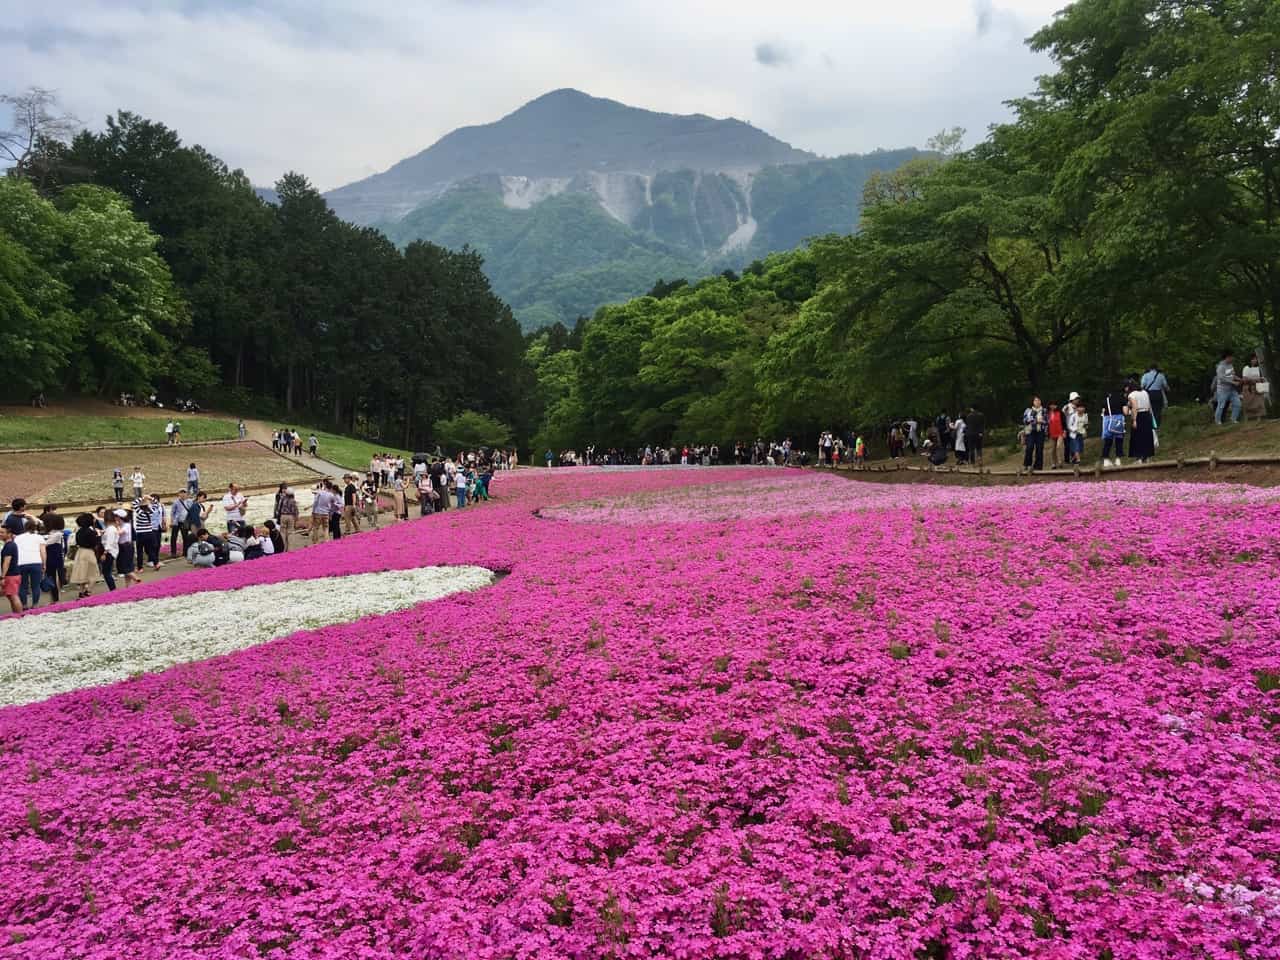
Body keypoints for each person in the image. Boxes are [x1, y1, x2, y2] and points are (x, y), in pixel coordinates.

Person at [14, 519, 45, 610]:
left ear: (25, 527)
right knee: (35, 585)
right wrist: (44, 564)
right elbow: (43, 552)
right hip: (35, 561)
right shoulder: (39, 537)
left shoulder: (18, 538)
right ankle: (35, 604)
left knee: (23, 586)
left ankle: (24, 605)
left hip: (21, 563)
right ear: (35, 528)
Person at [69, 513, 101, 599]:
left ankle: (81, 591)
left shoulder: (79, 532)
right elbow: (94, 544)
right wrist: (98, 536)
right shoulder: (91, 532)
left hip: (80, 552)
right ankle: (88, 590)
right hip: (89, 553)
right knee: (93, 573)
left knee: (83, 573)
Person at [1127, 378, 1156, 463]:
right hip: (1147, 415)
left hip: (1138, 415)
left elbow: (1135, 407)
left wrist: (1134, 420)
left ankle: (1139, 457)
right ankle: (1147, 457)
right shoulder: (1145, 392)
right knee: (1147, 436)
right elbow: (1149, 405)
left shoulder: (1132, 395)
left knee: (1137, 437)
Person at [1100, 386, 1128, 467]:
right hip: (1118, 420)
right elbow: (1125, 412)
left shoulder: (1106, 400)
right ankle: (1118, 460)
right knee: (1119, 440)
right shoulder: (1122, 399)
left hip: (1107, 420)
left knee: (1108, 441)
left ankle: (1106, 460)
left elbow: (1103, 412)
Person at [1214, 350, 1242, 425]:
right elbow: (1222, 379)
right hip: (1222, 390)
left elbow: (1232, 375)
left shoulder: (1230, 365)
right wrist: (1234, 382)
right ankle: (1218, 422)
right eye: (1231, 357)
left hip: (1231, 389)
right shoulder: (1220, 367)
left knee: (1238, 404)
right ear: (1227, 357)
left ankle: (1233, 419)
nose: (1232, 358)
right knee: (1221, 406)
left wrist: (1239, 378)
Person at [1021, 396, 1048, 471]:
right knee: (1029, 447)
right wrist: (1036, 420)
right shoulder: (1028, 410)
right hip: (1030, 431)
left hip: (1040, 431)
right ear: (1033, 402)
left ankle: (1038, 466)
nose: (1037, 402)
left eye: (1039, 400)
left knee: (1039, 449)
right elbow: (1025, 420)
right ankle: (1027, 464)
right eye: (1035, 400)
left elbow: (1046, 421)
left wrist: (1043, 423)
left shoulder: (1044, 410)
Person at [1241, 352, 1269, 422]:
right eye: (1253, 359)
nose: (1255, 360)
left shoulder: (1257, 368)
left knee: (1260, 403)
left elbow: (1257, 377)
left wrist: (1261, 378)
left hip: (1257, 387)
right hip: (1249, 388)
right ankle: (1247, 420)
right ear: (1250, 360)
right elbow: (1244, 379)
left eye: (1256, 359)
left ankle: (1259, 419)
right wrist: (1254, 379)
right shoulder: (1246, 368)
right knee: (1249, 404)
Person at [100, 510, 123, 591]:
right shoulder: (112, 528)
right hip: (112, 551)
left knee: (106, 573)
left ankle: (113, 589)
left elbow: (109, 542)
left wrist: (104, 553)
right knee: (107, 572)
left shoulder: (110, 529)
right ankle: (112, 589)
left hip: (109, 552)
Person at [0, 527, 20, 614]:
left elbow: (6, 562)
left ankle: (19, 615)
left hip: (11, 575)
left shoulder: (9, 546)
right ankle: (16, 615)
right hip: (12, 574)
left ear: (9, 534)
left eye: (2, 532)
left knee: (13, 596)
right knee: (10, 596)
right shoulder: (9, 545)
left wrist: (2, 577)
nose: (0, 534)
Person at [1047, 402, 1065, 469]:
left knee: (1059, 446)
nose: (1053, 406)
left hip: (1060, 432)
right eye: (1051, 405)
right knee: (1052, 449)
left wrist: (1064, 431)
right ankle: (1053, 463)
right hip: (1051, 433)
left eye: (1054, 405)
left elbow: (1064, 422)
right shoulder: (1048, 413)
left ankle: (1060, 462)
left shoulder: (1060, 413)